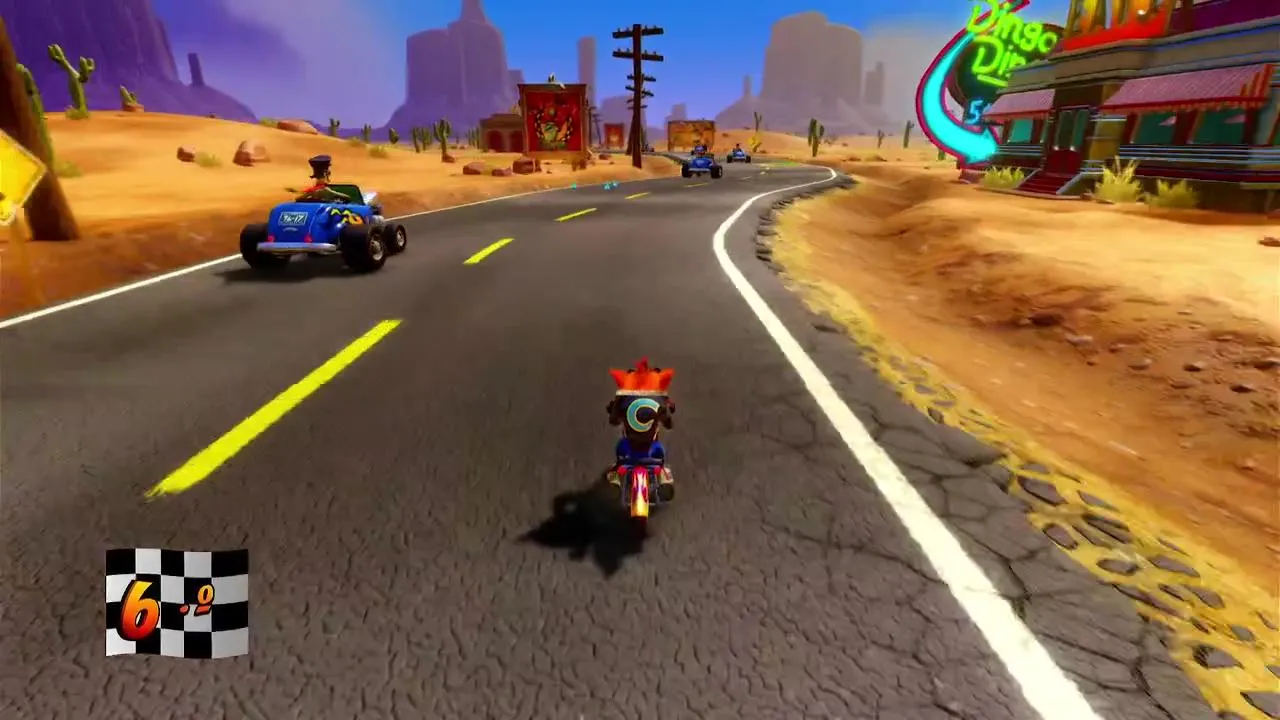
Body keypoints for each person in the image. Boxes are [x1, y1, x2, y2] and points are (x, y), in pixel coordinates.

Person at [604, 358, 675, 498]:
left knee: (619, 455)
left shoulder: (623, 396)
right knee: (661, 458)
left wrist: (617, 411)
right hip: (652, 449)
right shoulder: (659, 397)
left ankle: (615, 480)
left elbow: (613, 421)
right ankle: (664, 478)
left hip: (628, 448)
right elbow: (669, 424)